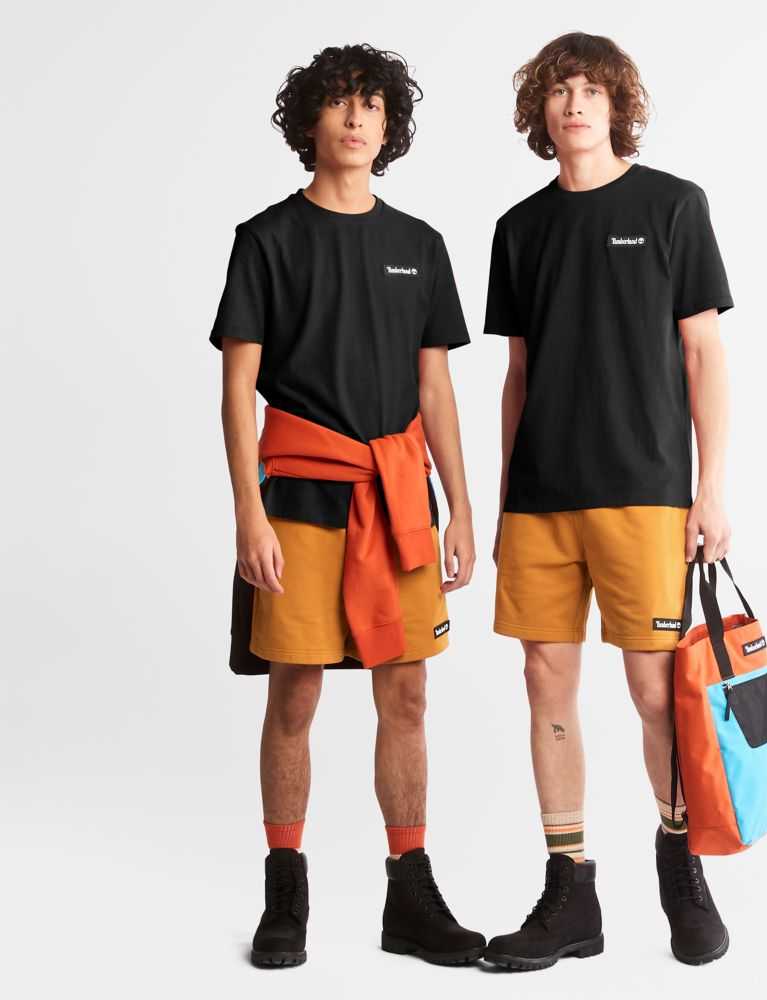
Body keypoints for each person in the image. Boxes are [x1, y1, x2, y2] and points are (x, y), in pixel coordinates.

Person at [208, 43, 484, 968]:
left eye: (372, 104)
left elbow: (435, 390)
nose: (357, 117)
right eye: (338, 102)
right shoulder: (266, 240)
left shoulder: (420, 246)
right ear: (310, 123)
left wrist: (461, 508)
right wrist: (247, 514)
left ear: (389, 126)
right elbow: (236, 391)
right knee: (295, 690)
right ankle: (285, 889)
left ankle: (410, 892)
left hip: (401, 497)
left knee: (406, 692)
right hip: (297, 498)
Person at [482, 32, 735, 970]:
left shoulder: (673, 205)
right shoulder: (519, 228)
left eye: (591, 89)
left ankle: (680, 862)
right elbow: (517, 375)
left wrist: (711, 489)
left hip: (646, 492)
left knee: (654, 690)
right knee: (544, 680)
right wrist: (504, 504)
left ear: (617, 105)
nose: (574, 104)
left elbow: (703, 353)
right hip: (542, 499)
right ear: (539, 112)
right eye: (558, 91)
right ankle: (570, 890)